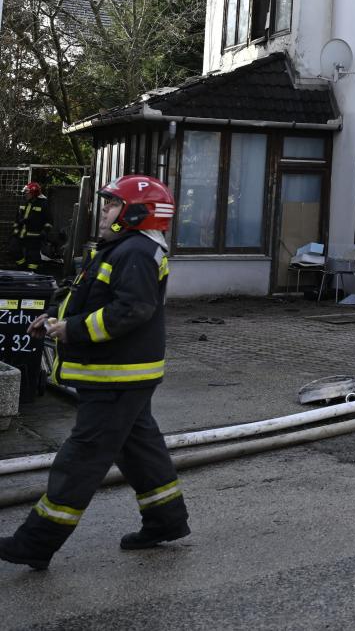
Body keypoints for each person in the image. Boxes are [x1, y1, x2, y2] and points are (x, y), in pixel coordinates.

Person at [0, 175, 189, 571]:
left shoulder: (136, 252)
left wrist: (72, 330)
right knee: (139, 448)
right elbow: (89, 296)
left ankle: (36, 542)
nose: (103, 211)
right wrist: (55, 317)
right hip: (121, 376)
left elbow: (131, 310)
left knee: (81, 457)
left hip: (116, 377)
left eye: (112, 204)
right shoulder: (122, 249)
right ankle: (165, 519)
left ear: (136, 213)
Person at [11, 182, 50, 272]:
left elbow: (49, 221)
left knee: (33, 256)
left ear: (34, 193)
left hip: (34, 235)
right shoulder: (23, 202)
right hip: (20, 233)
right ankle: (22, 266)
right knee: (13, 249)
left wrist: (45, 231)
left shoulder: (43, 204)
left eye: (27, 193)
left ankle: (32, 272)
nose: (25, 194)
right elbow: (17, 219)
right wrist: (15, 230)